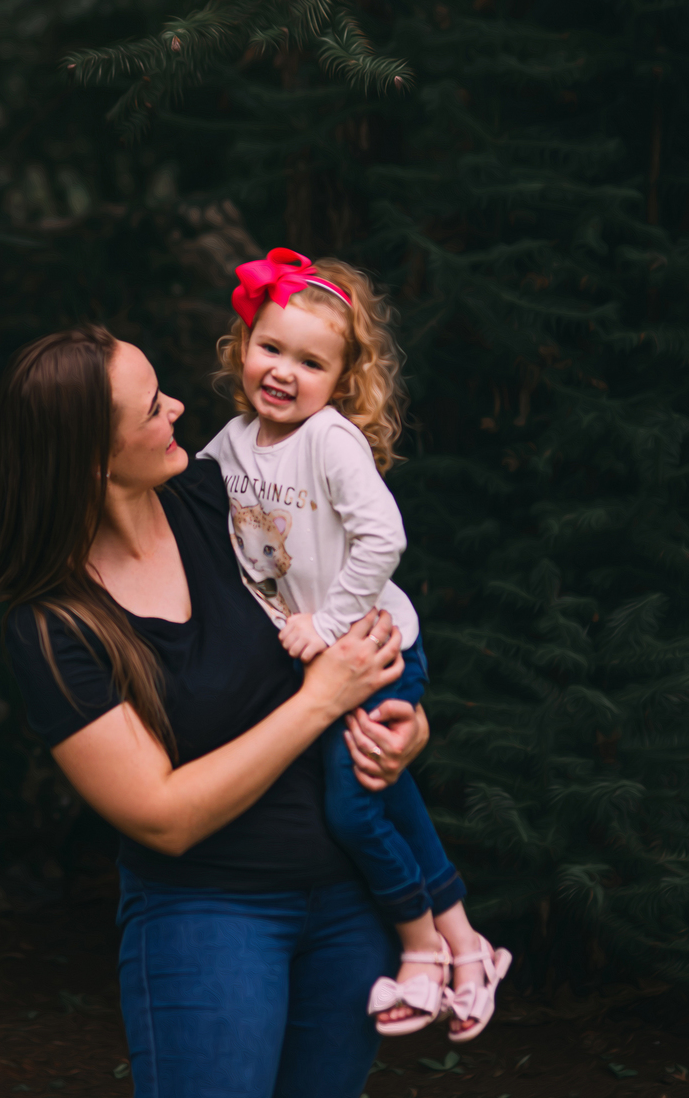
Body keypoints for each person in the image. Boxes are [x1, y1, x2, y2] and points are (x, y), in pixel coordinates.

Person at [0, 325, 429, 1098]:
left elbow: (353, 609)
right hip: (210, 911)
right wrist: (322, 701)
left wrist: (400, 724)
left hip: (349, 904)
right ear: (92, 457)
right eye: (152, 406)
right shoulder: (56, 627)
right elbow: (161, 813)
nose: (179, 405)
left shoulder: (211, 497)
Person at [201, 248, 510, 1040]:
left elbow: (384, 539)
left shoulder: (329, 442)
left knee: (354, 803)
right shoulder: (232, 443)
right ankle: (471, 946)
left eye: (311, 362)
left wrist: (328, 626)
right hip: (323, 664)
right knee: (390, 791)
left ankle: (421, 952)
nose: (283, 372)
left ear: (340, 382)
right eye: (270, 348)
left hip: (372, 651)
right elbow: (187, 506)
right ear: (243, 350)